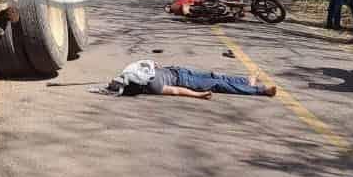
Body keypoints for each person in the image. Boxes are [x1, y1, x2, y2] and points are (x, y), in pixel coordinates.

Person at [106, 59, 277, 99]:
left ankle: (246, 82)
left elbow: (151, 62)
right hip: (185, 81)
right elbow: (176, 91)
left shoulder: (133, 72)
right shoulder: (153, 87)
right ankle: (261, 90)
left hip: (180, 70)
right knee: (218, 83)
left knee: (214, 75)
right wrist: (197, 95)